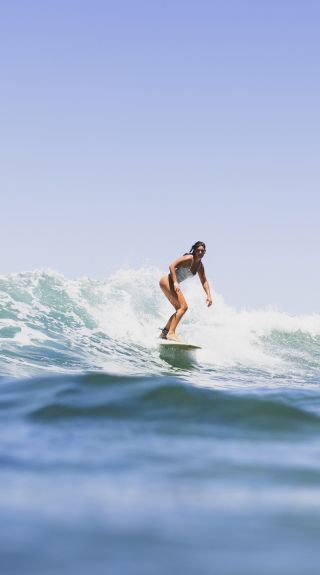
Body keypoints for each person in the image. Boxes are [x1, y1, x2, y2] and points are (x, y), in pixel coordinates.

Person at [159, 241, 213, 341]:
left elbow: (204, 280)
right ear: (195, 250)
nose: (200, 252)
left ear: (205, 252)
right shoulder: (189, 258)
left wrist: (209, 296)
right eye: (198, 250)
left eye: (203, 251)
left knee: (180, 309)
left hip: (170, 283)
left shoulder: (200, 266)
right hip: (167, 281)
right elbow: (171, 266)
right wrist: (175, 282)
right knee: (183, 307)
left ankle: (164, 333)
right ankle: (171, 333)